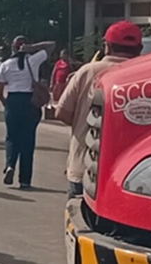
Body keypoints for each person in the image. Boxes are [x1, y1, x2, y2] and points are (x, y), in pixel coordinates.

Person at [55, 22, 142, 198]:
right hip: (130, 177)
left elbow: (62, 113)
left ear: (107, 46)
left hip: (84, 168)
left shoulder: (88, 71)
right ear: (139, 49)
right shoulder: (146, 73)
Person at [0, 36, 56, 189]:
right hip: (30, 103)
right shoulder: (33, 60)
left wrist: (6, 104)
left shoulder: (5, 65)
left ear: (12, 48)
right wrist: (33, 47)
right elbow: (51, 45)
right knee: (28, 141)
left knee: (12, 137)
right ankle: (25, 180)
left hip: (13, 101)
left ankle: (10, 165)